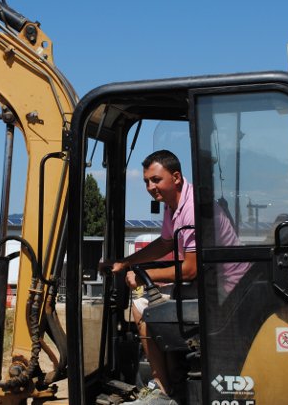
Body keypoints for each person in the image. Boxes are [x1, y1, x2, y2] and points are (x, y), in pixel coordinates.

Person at [106, 150, 197, 405]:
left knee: (142, 307)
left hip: (220, 289)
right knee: (150, 306)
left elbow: (190, 270)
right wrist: (126, 263)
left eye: (156, 180)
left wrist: (147, 276)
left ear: (176, 177)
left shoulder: (192, 209)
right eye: (147, 181)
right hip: (205, 283)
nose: (150, 186)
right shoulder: (173, 206)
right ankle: (172, 383)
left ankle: (163, 388)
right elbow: (166, 243)